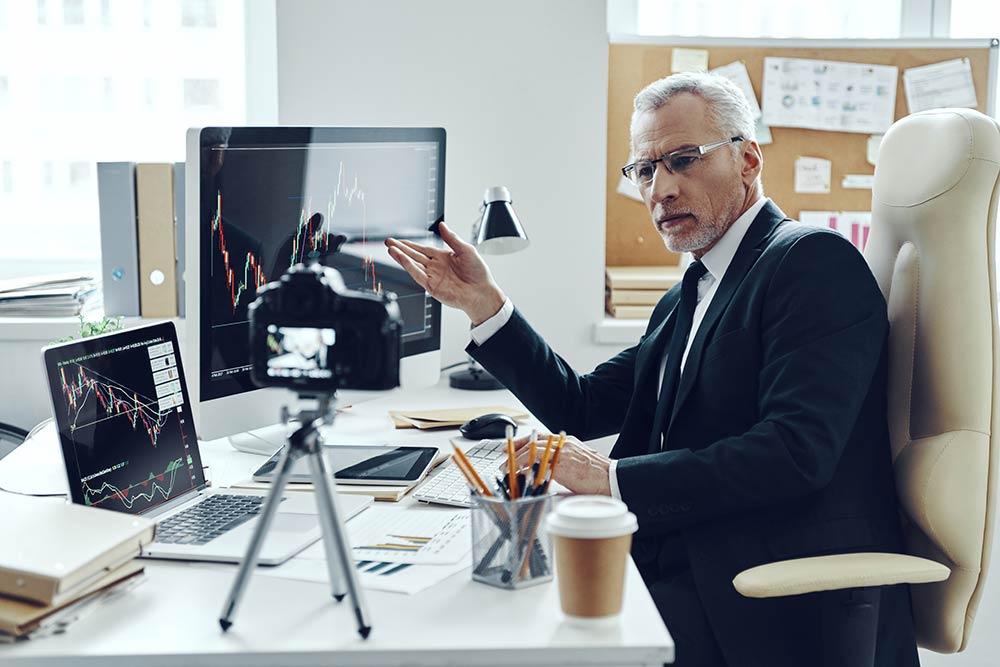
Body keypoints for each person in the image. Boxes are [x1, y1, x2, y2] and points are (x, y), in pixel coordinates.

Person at [385, 72, 917, 667]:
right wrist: (483, 305)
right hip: (680, 556)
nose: (660, 188)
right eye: (644, 170)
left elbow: (795, 453)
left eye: (683, 161)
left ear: (748, 159)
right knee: (472, 607)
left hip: (761, 592)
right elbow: (581, 407)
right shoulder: (692, 289)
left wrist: (609, 480)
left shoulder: (809, 262)